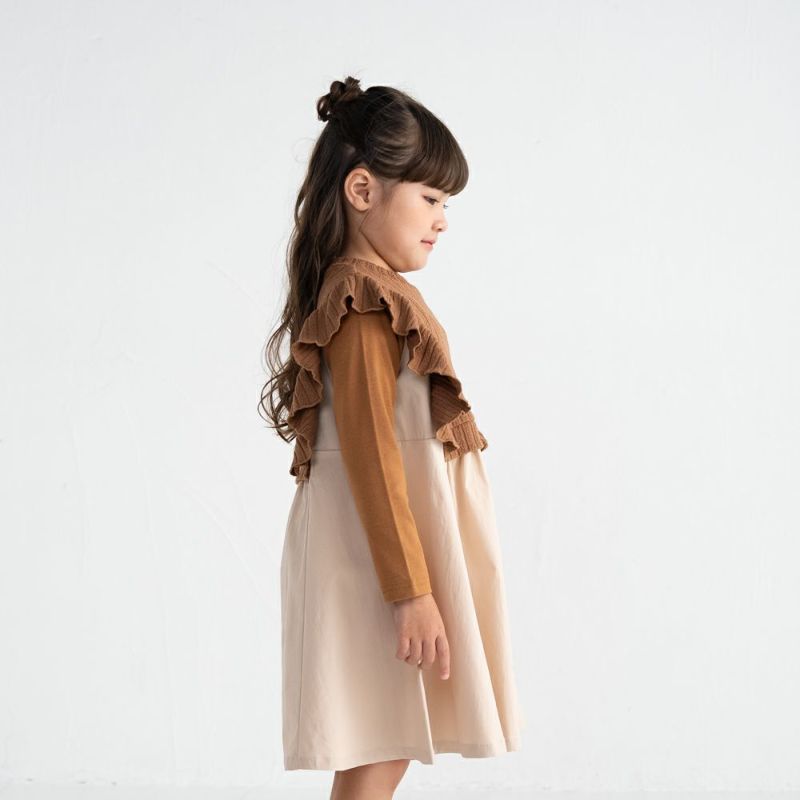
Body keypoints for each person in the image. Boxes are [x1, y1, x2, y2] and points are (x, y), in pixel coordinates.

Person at [259, 75, 524, 800]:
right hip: (381, 565)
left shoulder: (376, 292)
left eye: (447, 205)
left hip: (388, 556)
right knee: (381, 744)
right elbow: (371, 451)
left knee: (390, 742)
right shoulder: (363, 300)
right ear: (362, 190)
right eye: (431, 198)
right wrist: (410, 592)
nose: (442, 221)